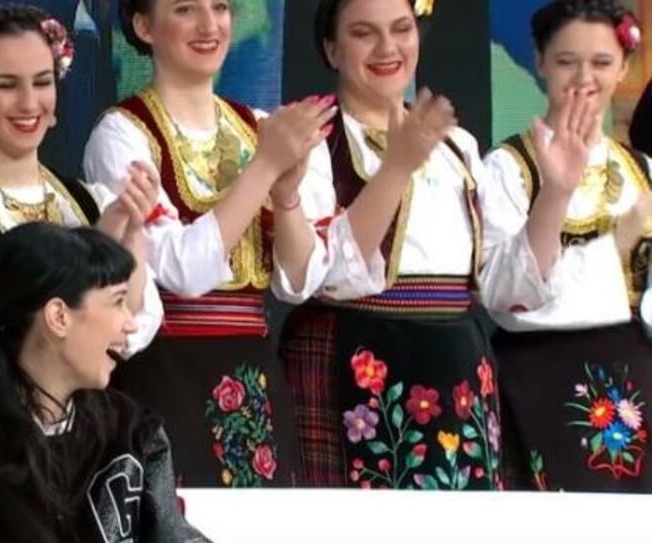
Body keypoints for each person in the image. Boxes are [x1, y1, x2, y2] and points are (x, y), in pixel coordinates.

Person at [279, 0, 593, 489]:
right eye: (364, 33)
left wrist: (556, 193)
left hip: (454, 364)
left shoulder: (456, 147)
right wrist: (397, 167)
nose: (388, 47)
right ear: (331, 48)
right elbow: (323, 277)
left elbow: (502, 285)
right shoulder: (314, 142)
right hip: (354, 358)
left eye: (401, 29)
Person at [83, 0, 339, 488]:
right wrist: (265, 167)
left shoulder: (259, 127)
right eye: (185, 9)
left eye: (219, 6)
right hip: (164, 370)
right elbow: (184, 270)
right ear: (144, 25)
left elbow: (298, 282)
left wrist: (285, 195)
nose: (208, 25)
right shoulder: (123, 134)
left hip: (255, 373)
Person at [0, 222, 207, 543]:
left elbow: (174, 537)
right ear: (58, 316)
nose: (130, 323)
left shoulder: (133, 432)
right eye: (117, 301)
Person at [0, 4, 162, 354]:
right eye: (7, 85)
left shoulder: (95, 201)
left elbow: (133, 328)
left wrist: (130, 235)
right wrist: (100, 244)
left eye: (42, 82)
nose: (29, 103)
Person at [486, 0, 652, 491]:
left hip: (637, 375)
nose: (584, 78)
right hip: (540, 377)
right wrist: (615, 241)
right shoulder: (507, 168)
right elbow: (504, 295)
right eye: (566, 61)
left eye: (601, 62)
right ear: (540, 62)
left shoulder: (642, 170)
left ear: (623, 66)